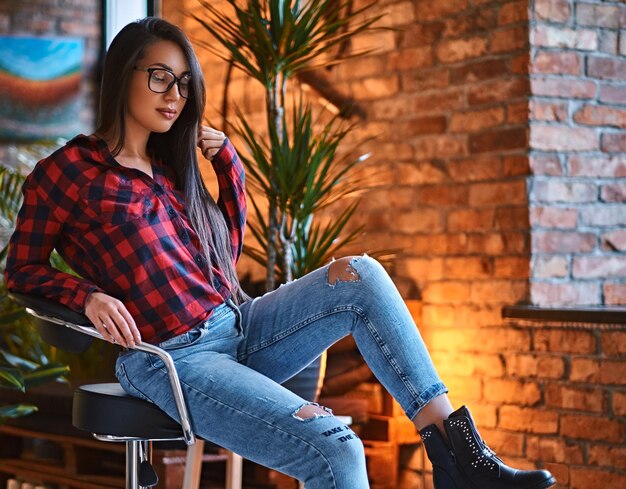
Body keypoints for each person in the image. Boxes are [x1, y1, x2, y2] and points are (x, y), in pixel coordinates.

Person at [4, 17, 556, 489]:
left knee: (359, 275)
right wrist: (88, 296)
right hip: (173, 359)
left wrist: (229, 168)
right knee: (339, 450)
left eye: (183, 84)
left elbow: (223, 254)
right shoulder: (69, 172)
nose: (175, 96)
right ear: (124, 77)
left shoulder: (171, 170)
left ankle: (456, 454)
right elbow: (21, 269)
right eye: (159, 78)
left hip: (239, 326)